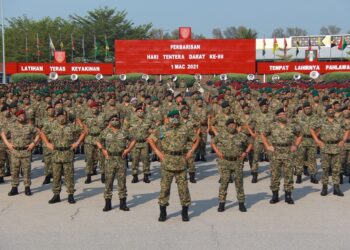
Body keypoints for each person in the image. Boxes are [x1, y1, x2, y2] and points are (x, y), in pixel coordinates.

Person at [147, 110, 199, 222]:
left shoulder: (185, 128)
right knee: (165, 188)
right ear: (168, 118)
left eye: (177, 116)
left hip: (181, 162)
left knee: (183, 189)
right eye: (173, 117)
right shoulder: (162, 129)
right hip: (167, 162)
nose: (175, 118)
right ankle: (163, 212)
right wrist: (158, 153)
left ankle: (185, 212)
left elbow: (197, 139)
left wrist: (191, 152)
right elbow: (150, 139)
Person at [40, 110, 86, 204]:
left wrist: (77, 143)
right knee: (56, 176)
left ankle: (70, 195)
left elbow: (84, 131)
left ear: (66, 117)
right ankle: (56, 195)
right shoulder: (52, 125)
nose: (61, 118)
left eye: (63, 116)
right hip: (56, 153)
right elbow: (41, 132)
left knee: (69, 176)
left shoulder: (71, 125)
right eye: (59, 116)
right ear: (56, 117)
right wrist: (47, 143)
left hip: (67, 153)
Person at [261, 108, 302, 205]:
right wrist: (267, 146)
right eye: (281, 114)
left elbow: (300, 135)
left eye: (284, 114)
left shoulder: (292, 126)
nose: (283, 115)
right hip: (276, 152)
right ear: (277, 116)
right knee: (275, 174)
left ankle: (288, 195)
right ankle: (275, 195)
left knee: (288, 174)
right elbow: (263, 135)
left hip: (288, 152)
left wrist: (295, 145)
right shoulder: (272, 126)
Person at [211, 118, 253, 212]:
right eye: (230, 125)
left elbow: (251, 143)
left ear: (236, 126)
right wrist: (217, 152)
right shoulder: (221, 135)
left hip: (237, 162)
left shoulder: (241, 135)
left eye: (234, 125)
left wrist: (245, 152)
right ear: (226, 126)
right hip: (225, 162)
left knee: (239, 183)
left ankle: (241, 203)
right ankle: (221, 203)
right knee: (224, 183)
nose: (232, 126)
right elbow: (213, 142)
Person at [96, 114, 136, 212]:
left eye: (116, 119)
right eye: (113, 119)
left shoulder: (124, 131)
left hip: (121, 159)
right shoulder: (105, 132)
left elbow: (134, 140)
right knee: (108, 182)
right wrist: (103, 150)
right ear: (109, 121)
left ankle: (123, 204)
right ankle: (108, 204)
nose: (115, 121)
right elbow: (97, 141)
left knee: (122, 182)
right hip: (109, 159)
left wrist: (127, 150)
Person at [310, 105, 349, 197]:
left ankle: (336, 188)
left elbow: (347, 129)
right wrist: (317, 140)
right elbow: (311, 128)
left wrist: (343, 140)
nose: (331, 111)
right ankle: (324, 188)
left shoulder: (340, 121)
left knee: (336, 168)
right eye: (329, 110)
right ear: (326, 112)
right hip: (325, 146)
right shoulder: (321, 121)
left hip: (336, 146)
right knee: (325, 168)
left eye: (332, 110)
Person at [1, 110, 40, 196]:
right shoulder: (12, 125)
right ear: (17, 116)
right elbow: (3, 133)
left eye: (23, 115)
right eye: (20, 115)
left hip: (26, 151)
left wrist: (33, 143)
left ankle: (27, 188)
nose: (21, 116)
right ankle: (14, 188)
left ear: (25, 116)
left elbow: (38, 133)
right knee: (14, 171)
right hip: (15, 152)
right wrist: (8, 144)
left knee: (26, 170)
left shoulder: (29, 126)